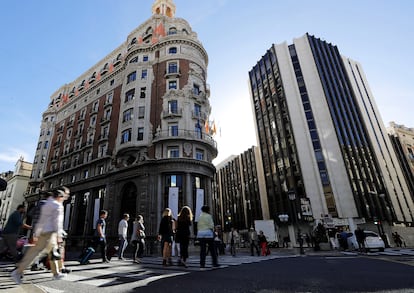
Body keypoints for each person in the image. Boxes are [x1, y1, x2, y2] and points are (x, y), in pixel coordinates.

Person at [11, 190, 66, 284]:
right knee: (35, 253)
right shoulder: (57, 205)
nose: (65, 198)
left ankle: (56, 273)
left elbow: (40, 219)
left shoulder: (44, 204)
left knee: (52, 252)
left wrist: (36, 232)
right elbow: (57, 222)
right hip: (49, 232)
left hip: (44, 231)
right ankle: (18, 271)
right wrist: (59, 235)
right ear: (59, 197)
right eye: (64, 196)